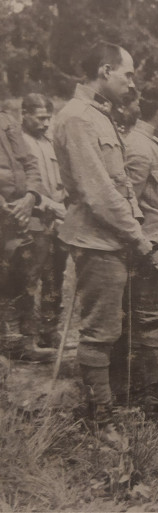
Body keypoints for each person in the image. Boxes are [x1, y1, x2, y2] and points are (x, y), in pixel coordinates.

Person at [53, 41, 152, 432]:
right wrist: (136, 234)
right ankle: (101, 419)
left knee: (114, 327)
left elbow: (120, 183)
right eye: (127, 73)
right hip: (98, 239)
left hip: (114, 238)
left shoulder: (99, 114)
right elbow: (98, 192)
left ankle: (108, 404)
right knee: (100, 331)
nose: (132, 83)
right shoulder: (77, 117)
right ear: (104, 70)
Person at [119, 86, 158, 410]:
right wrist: (142, 248)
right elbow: (128, 205)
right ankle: (154, 391)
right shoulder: (139, 148)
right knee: (153, 318)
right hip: (150, 252)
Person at [0, 104, 54, 362]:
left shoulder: (7, 122)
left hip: (18, 213)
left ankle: (25, 343)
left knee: (23, 276)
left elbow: (30, 164)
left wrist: (31, 196)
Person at [21, 94, 69, 349]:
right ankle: (25, 338)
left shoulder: (50, 142)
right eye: (40, 118)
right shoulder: (17, 144)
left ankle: (49, 330)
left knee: (54, 277)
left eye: (48, 118)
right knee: (29, 279)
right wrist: (49, 205)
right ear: (24, 114)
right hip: (33, 221)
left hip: (57, 221)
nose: (45, 123)